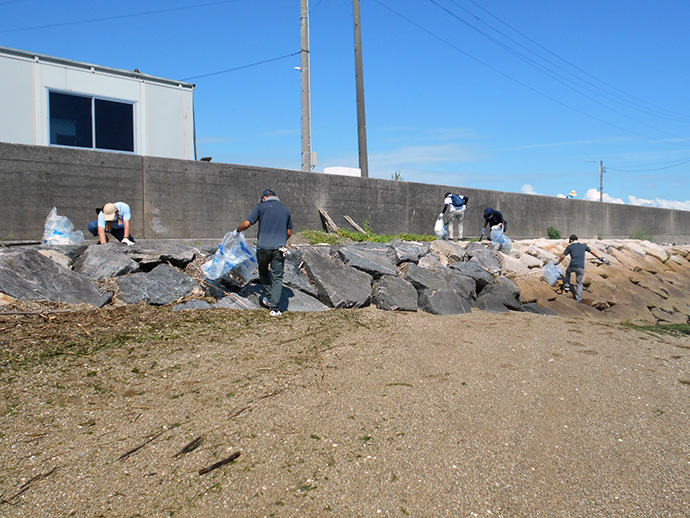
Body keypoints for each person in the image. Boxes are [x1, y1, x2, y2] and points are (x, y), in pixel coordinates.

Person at [235, 189, 293, 317]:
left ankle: (270, 297)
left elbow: (247, 223)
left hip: (263, 248)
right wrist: (281, 241)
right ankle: (275, 309)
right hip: (279, 249)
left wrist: (237, 231)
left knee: (263, 272)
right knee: (278, 278)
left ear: (264, 198)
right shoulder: (285, 210)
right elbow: (289, 232)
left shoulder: (261, 207)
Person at [556, 234, 607, 303]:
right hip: (581, 267)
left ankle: (567, 285)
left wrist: (558, 262)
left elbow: (562, 256)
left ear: (571, 240)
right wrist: (600, 258)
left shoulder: (570, 247)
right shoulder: (583, 246)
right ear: (577, 239)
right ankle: (579, 299)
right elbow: (593, 252)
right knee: (579, 283)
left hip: (572, 266)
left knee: (567, 272)